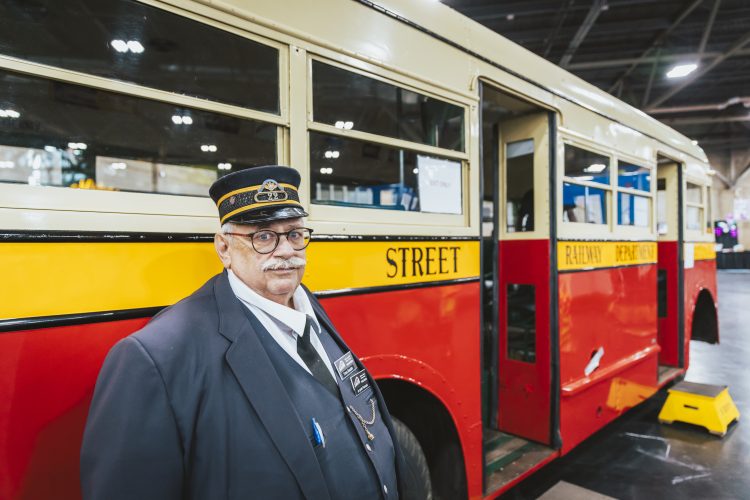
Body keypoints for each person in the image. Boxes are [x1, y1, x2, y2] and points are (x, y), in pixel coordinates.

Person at [80, 165, 405, 499]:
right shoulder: (156, 358)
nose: (286, 251)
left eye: (294, 234)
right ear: (224, 248)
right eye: (262, 236)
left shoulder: (309, 307)